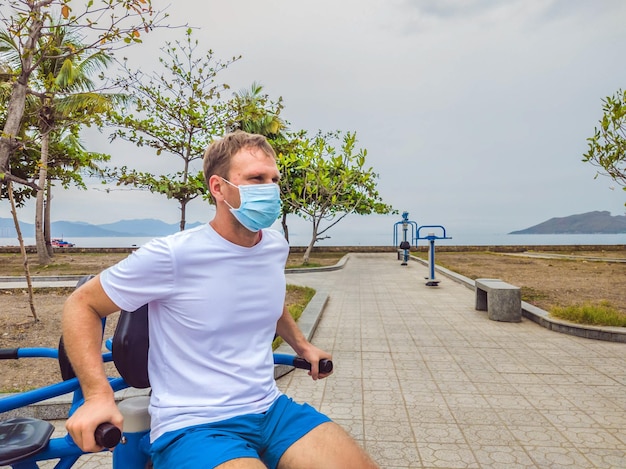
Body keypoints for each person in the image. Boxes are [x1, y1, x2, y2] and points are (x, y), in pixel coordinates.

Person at [62, 131, 379, 468]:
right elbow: (81, 304)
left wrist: (302, 345)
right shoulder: (173, 254)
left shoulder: (273, 246)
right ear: (219, 188)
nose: (271, 189)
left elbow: (267, 298)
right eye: (256, 178)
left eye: (274, 179)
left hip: (270, 409)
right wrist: (98, 395)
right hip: (195, 423)